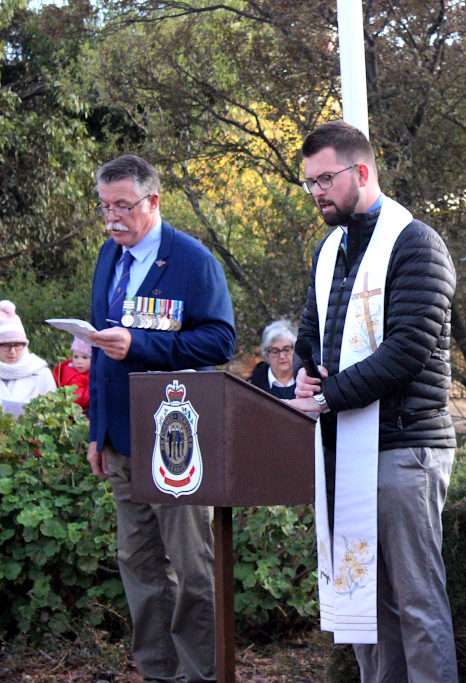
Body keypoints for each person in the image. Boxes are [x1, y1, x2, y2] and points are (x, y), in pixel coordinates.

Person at [291, 120, 458, 682]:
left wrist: (327, 398)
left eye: (325, 179)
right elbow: (311, 333)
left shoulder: (416, 243)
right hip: (343, 450)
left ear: (361, 172)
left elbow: (408, 349)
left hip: (406, 447)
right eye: (309, 182)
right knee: (364, 605)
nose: (316, 192)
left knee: (416, 604)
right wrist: (303, 377)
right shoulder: (330, 249)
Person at [87, 154, 235, 683]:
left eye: (123, 207)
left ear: (153, 201)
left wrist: (141, 345)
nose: (112, 219)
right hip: (123, 440)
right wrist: (96, 432)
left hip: (177, 439)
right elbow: (103, 354)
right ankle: (158, 672)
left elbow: (220, 340)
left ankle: (202, 674)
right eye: (105, 208)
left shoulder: (192, 261)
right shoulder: (109, 256)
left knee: (192, 568)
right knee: (139, 564)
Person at [0, 299, 57, 409]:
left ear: (25, 345)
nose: (12, 351)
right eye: (6, 345)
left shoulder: (40, 372)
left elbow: (53, 410)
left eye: (17, 345)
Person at [248, 319, 299, 399]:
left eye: (286, 349)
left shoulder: (308, 379)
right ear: (266, 354)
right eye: (275, 351)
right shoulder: (252, 387)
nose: (282, 356)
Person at [53, 336, 91, 411]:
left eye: (85, 357)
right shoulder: (67, 372)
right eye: (76, 357)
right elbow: (78, 399)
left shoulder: (93, 374)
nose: (79, 361)